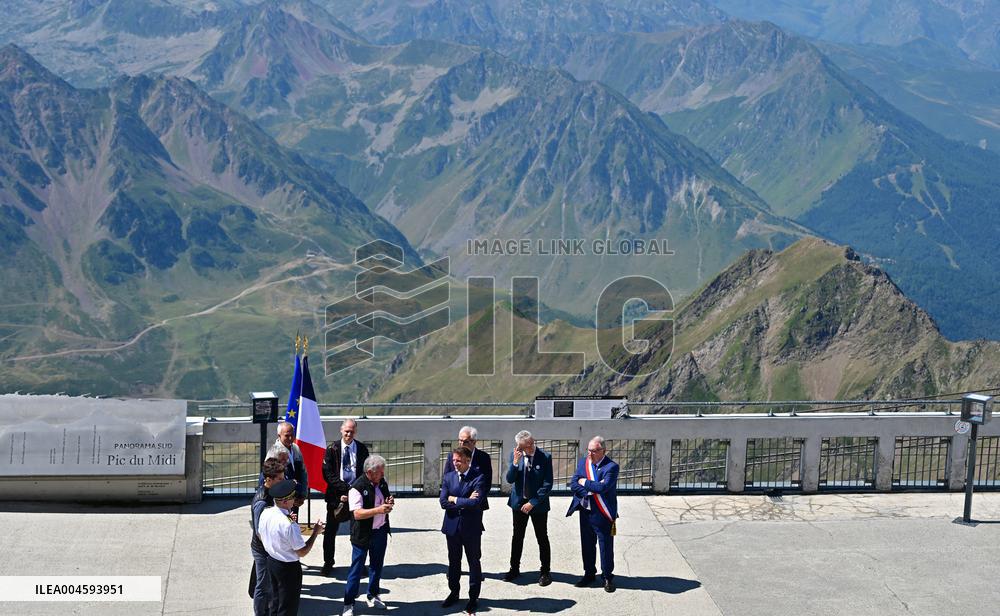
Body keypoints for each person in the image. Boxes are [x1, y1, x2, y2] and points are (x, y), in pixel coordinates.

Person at [258, 480, 324, 615]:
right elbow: (302, 551)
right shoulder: (289, 525)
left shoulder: (267, 513)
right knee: (288, 607)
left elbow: (260, 535)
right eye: (292, 497)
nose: (294, 499)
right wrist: (315, 533)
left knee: (274, 604)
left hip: (271, 562)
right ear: (284, 501)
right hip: (288, 569)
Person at [566, 436, 619, 593]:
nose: (590, 454)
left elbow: (604, 488)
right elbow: (574, 484)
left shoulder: (611, 467)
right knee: (587, 545)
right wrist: (589, 490)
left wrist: (585, 482)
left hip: (603, 513)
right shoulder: (583, 462)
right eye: (589, 450)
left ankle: (607, 576)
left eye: (594, 451)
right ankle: (589, 573)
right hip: (585, 510)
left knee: (605, 546)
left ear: (603, 450)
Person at [342, 455, 394, 616]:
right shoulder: (357, 488)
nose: (383, 475)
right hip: (363, 535)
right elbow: (357, 514)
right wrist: (379, 510)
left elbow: (384, 497)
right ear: (370, 472)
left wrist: (389, 501)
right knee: (356, 570)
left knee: (377, 566)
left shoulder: (381, 482)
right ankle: (349, 603)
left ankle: (373, 595)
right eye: (380, 472)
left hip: (380, 531)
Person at [503, 430, 553, 586]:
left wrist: (533, 502)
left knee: (542, 537)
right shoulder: (515, 456)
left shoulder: (545, 457)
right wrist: (515, 463)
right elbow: (510, 479)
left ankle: (545, 571)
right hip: (518, 504)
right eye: (527, 445)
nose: (532, 446)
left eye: (532, 442)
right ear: (520, 446)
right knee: (517, 537)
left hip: (537, 505)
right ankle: (514, 568)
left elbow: (547, 483)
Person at [440, 447, 486, 614]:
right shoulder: (448, 477)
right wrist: (463, 500)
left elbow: (476, 503)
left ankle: (473, 598)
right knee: (454, 561)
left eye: (458, 461)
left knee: (473, 562)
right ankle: (454, 592)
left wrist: (455, 499)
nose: (454, 463)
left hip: (471, 527)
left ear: (467, 461)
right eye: (453, 460)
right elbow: (443, 502)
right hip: (452, 526)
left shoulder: (478, 477)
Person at [322, 419, 370, 576]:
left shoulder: (362, 449)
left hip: (357, 496)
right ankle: (328, 562)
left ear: (355, 432)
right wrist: (344, 489)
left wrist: (354, 490)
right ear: (341, 431)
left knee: (358, 533)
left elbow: (366, 471)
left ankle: (359, 563)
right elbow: (327, 473)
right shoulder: (332, 449)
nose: (349, 434)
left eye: (352, 431)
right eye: (346, 431)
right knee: (330, 531)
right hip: (336, 496)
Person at [251, 458, 286, 616]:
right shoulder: (261, 502)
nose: (282, 481)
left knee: (270, 585)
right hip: (263, 550)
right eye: (279, 479)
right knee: (263, 586)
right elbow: (259, 532)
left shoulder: (272, 493)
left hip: (270, 548)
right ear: (268, 480)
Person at [442, 426, 492, 511]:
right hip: (454, 506)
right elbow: (447, 479)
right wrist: (463, 501)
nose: (461, 443)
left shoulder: (484, 457)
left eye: (465, 441)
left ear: (474, 442)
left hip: (475, 507)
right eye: (460, 440)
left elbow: (487, 483)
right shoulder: (452, 456)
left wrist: (471, 500)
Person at [276, 422, 308, 508]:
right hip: (283, 501)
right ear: (279, 436)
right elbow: (275, 481)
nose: (290, 438)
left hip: (296, 498)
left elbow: (302, 472)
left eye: (292, 435)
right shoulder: (274, 453)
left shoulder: (296, 448)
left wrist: (302, 495)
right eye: (286, 436)